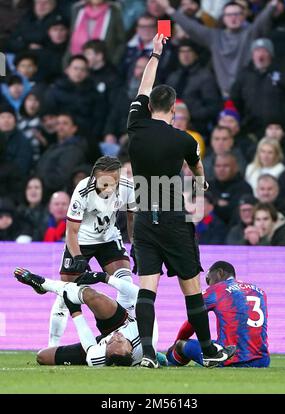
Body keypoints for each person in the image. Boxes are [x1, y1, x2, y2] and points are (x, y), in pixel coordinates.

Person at [127, 34, 236, 368]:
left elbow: (143, 86)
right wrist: (199, 184)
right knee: (190, 286)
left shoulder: (136, 125)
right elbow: (198, 170)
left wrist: (156, 53)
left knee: (147, 287)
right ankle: (208, 350)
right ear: (174, 109)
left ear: (148, 106)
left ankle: (146, 353)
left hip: (145, 218)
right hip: (174, 218)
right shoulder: (185, 140)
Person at [48, 156, 136, 348]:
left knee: (125, 283)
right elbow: (71, 230)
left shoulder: (128, 187)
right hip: (81, 241)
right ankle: (51, 346)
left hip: (109, 239)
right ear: (94, 178)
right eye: (104, 183)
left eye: (114, 181)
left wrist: (136, 244)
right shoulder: (82, 190)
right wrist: (78, 256)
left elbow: (131, 219)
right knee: (65, 294)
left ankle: (126, 335)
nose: (110, 187)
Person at [13, 266, 157, 367]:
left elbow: (89, 345)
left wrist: (75, 311)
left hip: (99, 347)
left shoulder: (97, 357)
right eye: (120, 341)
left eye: (111, 342)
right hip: (123, 321)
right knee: (91, 296)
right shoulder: (147, 336)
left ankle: (44, 287)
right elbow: (140, 294)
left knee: (42, 357)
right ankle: (44, 283)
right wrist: (104, 277)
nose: (116, 336)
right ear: (131, 352)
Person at [166, 261, 270, 368]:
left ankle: (169, 362)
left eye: (209, 280)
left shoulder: (216, 290)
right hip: (262, 360)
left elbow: (193, 321)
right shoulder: (259, 291)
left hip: (229, 359)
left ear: (219, 273)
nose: (209, 284)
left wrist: (176, 343)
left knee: (181, 344)